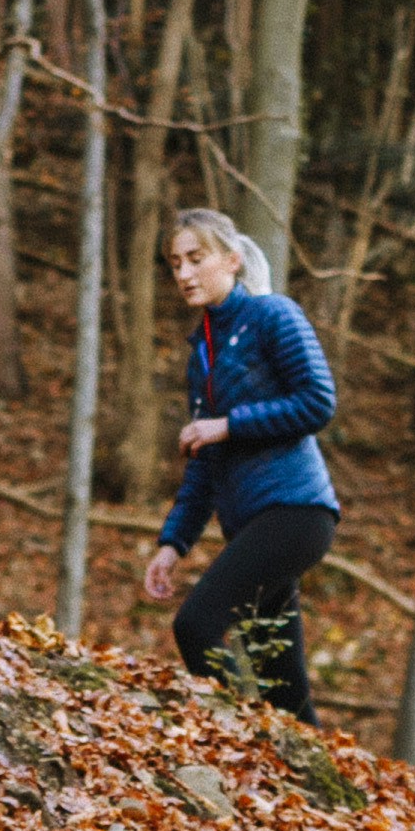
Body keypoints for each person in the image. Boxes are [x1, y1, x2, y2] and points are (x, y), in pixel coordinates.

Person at [141, 208, 342, 719]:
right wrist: (173, 544)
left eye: (196, 258)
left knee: (196, 625)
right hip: (251, 524)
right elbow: (203, 466)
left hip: (295, 513)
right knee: (282, 686)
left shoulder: (273, 315)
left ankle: (243, 746)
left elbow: (317, 401)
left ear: (231, 260)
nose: (184, 274)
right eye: (175, 263)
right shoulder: (202, 355)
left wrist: (228, 424)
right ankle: (317, 789)